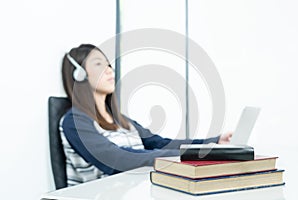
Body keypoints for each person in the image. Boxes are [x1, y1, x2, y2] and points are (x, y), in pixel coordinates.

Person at [60, 44, 232, 186]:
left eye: (108, 64)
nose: (109, 70)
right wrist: (180, 157)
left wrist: (212, 143)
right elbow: (115, 159)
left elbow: (160, 143)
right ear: (79, 75)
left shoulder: (121, 120)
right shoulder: (75, 122)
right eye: (98, 64)